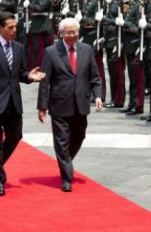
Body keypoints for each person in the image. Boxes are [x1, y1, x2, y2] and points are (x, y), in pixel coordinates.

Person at [0, 12, 45, 196]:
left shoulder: (19, 47)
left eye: (15, 27)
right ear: (0, 28)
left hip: (13, 100)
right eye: (10, 27)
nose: (14, 31)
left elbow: (19, 73)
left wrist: (29, 77)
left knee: (16, 135)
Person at [37, 18, 103, 192]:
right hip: (59, 103)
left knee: (79, 136)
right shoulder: (51, 52)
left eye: (75, 32)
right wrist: (42, 106)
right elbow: (45, 82)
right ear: (61, 33)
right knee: (61, 141)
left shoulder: (87, 50)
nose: (72, 35)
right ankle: (66, 177)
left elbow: (95, 77)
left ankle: (65, 162)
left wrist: (98, 96)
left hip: (81, 103)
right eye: (69, 32)